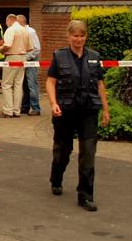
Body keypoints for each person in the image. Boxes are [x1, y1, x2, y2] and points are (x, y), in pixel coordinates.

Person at [45, 20, 110, 212]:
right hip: (65, 111)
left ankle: (86, 195)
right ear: (69, 36)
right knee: (62, 150)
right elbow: (50, 82)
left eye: (82, 36)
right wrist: (53, 103)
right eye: (75, 36)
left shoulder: (94, 57)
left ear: (85, 36)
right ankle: (56, 177)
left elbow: (99, 85)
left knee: (88, 153)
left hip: (88, 111)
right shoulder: (59, 56)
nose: (78, 39)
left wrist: (106, 110)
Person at [0, 13, 31, 117]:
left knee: (6, 84)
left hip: (12, 57)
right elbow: (30, 48)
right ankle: (16, 111)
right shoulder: (24, 30)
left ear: (9, 20)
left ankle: (8, 110)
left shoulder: (11, 29)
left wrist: (1, 51)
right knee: (18, 85)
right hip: (23, 58)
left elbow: (7, 45)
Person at [18, 14, 42, 115]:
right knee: (25, 85)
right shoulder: (23, 32)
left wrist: (26, 58)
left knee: (32, 85)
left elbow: (36, 48)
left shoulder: (30, 32)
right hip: (26, 61)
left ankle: (36, 108)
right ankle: (25, 107)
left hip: (30, 61)